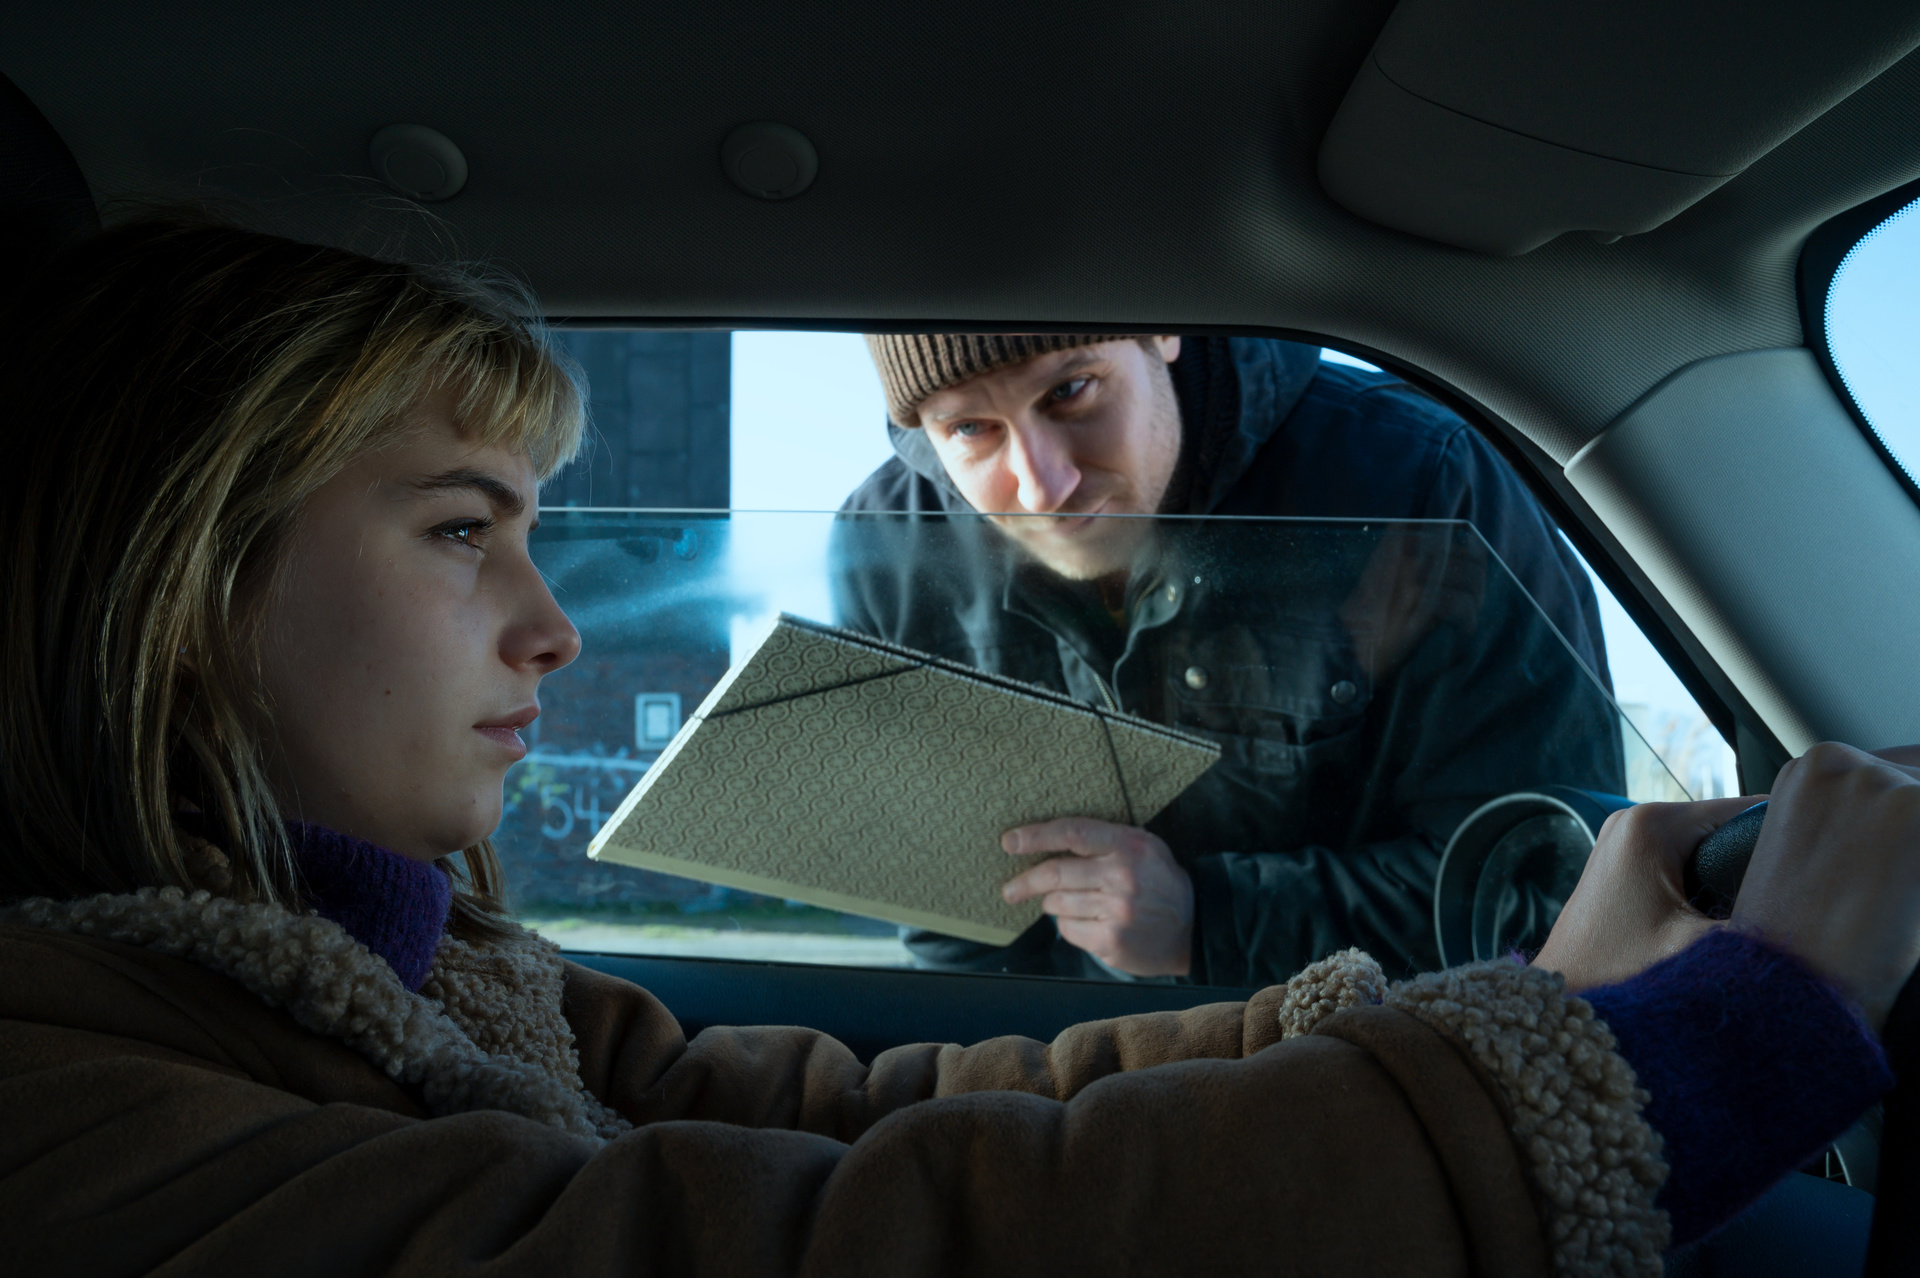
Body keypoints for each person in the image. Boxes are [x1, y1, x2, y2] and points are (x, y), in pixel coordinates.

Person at [0, 220, 1910, 1276]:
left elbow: (834, 1109)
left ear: (1162, 334)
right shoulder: (67, 1106)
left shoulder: (454, 976)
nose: (556, 626)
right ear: (181, 580)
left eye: (1074, 395)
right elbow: (850, 1226)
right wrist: (1683, 1047)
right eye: (457, 528)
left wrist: (1477, 1005)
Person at [833, 334, 1622, 985]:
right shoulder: (890, 551)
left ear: (1161, 330)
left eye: (1071, 391)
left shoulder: (1423, 479)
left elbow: (1551, 883)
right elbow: (957, 930)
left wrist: (1210, 923)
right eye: (971, 430)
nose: (1043, 488)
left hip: (1372, 1068)